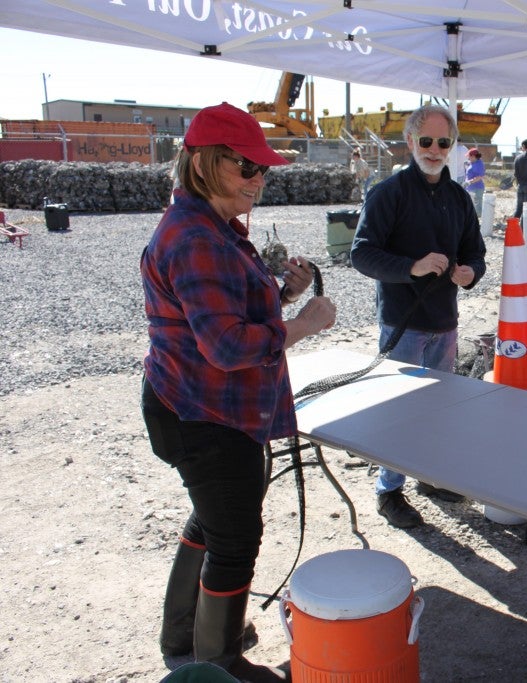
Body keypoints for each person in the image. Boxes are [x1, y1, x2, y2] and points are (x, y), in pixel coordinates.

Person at [140, 102, 337, 681]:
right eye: (246, 167)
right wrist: (307, 323)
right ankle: (219, 659)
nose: (258, 180)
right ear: (203, 163)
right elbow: (225, 348)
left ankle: (185, 633)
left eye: (263, 170)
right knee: (234, 538)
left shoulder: (209, 225)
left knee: (213, 520)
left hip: (195, 406)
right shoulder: (197, 237)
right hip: (205, 414)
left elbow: (227, 314)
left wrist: (281, 292)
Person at [351, 104, 487, 529]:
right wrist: (411, 266)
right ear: (410, 142)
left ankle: (428, 476)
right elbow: (361, 253)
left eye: (442, 142)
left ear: (452, 147)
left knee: (437, 408)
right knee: (399, 411)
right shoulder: (388, 193)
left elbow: (476, 254)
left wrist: (470, 273)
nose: (433, 149)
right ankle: (389, 490)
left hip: (444, 323)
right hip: (402, 325)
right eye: (425, 141)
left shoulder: (459, 198)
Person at [512, 139, 527, 220]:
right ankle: (523, 229)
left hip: (520, 186)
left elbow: (515, 174)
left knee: (519, 209)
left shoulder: (518, 158)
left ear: (523, 147)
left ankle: (513, 227)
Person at [464, 147, 486, 218]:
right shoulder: (473, 162)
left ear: (473, 156)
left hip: (477, 188)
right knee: (471, 204)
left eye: (469, 156)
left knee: (477, 205)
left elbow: (480, 177)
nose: (468, 158)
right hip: (471, 187)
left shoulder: (479, 164)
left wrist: (469, 182)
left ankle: (478, 220)